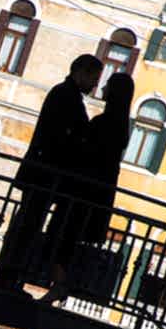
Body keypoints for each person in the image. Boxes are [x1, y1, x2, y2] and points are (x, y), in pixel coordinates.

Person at [0, 54, 103, 293]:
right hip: (45, 176)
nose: (95, 85)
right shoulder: (66, 97)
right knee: (27, 226)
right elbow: (62, 138)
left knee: (27, 225)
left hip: (43, 174)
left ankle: (9, 277)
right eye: (93, 78)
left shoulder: (64, 94)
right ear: (80, 72)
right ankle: (8, 278)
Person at [40, 72, 134, 304]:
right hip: (97, 192)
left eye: (108, 86)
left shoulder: (104, 123)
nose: (102, 89)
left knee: (61, 235)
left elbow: (85, 152)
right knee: (67, 237)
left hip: (82, 192)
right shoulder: (122, 125)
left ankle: (60, 285)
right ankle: (60, 285)